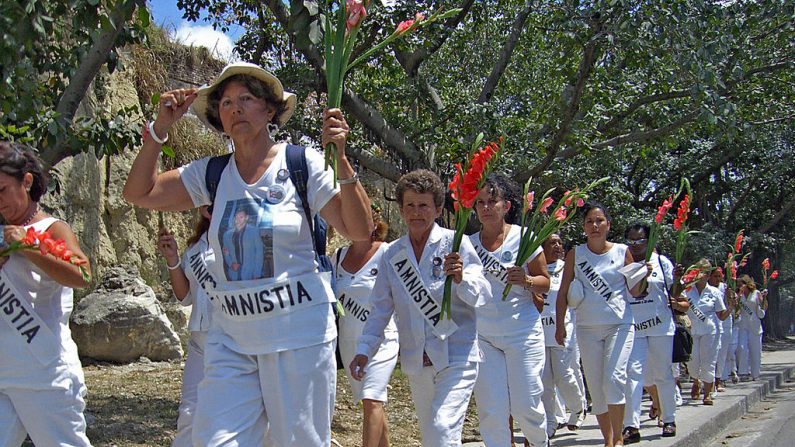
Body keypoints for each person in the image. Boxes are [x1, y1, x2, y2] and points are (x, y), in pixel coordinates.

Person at [123, 62, 373, 446]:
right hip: (232, 339)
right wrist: (159, 131)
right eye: (225, 102)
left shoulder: (301, 163)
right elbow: (139, 192)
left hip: (299, 338)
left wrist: (340, 158)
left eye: (246, 99)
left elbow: (359, 230)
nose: (235, 108)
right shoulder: (211, 174)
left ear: (269, 111)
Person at [350, 169, 492, 446]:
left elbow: (483, 293)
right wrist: (364, 351)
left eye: (424, 205)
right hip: (417, 360)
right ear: (402, 210)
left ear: (438, 209)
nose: (417, 213)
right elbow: (380, 310)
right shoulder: (392, 254)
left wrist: (462, 278)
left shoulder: (455, 243)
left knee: (442, 429)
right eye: (410, 206)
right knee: (431, 436)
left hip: (457, 354)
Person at [0, 141, 93, 446]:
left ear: (26, 182)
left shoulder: (52, 228)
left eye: (2, 189)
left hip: (46, 373)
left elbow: (82, 274)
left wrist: (29, 248)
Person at [555, 202, 649, 447]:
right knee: (596, 387)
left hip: (619, 325)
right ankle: (607, 439)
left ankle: (617, 438)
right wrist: (560, 325)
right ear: (584, 226)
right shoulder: (576, 254)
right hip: (587, 328)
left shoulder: (622, 251)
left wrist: (641, 274)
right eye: (589, 221)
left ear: (608, 224)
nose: (594, 226)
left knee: (614, 379)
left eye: (599, 221)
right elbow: (563, 291)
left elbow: (636, 291)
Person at [467, 174, 551, 447]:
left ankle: (540, 443)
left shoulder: (523, 238)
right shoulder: (468, 243)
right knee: (492, 411)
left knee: (526, 407)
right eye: (480, 202)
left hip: (522, 333)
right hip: (484, 336)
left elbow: (545, 282)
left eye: (492, 201)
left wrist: (526, 281)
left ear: (506, 204)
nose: (486, 207)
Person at [333, 206, 398, 447]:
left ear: (375, 222)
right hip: (350, 342)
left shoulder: (388, 253)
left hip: (382, 340)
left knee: (372, 399)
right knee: (371, 402)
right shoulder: (338, 256)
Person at [620, 224, 687, 442]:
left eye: (640, 240)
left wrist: (678, 278)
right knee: (633, 374)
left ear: (649, 242)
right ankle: (631, 425)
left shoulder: (661, 262)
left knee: (663, 375)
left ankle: (669, 419)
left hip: (660, 326)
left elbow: (675, 293)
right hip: (635, 328)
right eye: (631, 240)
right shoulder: (624, 262)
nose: (635, 245)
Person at [156, 207, 214, 447]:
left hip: (231, 340)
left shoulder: (238, 234)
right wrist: (173, 260)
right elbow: (185, 297)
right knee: (189, 414)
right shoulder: (197, 245)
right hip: (200, 343)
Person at [540, 234, 586, 439]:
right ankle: (550, 421)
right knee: (544, 380)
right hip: (538, 331)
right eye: (552, 243)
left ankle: (577, 407)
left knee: (563, 374)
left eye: (560, 242)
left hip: (561, 328)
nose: (557, 246)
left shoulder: (567, 267)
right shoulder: (533, 266)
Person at [682, 259, 733, 405]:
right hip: (692, 330)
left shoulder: (714, 292)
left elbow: (721, 315)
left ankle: (707, 392)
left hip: (710, 331)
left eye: (705, 272)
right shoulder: (687, 290)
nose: (702, 275)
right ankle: (696, 380)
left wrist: (730, 307)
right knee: (692, 362)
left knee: (709, 361)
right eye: (699, 271)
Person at [736, 274, 766, 381]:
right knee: (741, 348)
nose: (740, 287)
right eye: (738, 285)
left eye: (742, 284)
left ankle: (755, 373)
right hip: (743, 325)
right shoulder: (739, 295)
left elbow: (761, 312)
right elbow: (737, 309)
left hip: (755, 326)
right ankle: (743, 372)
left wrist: (762, 301)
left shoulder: (756, 293)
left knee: (755, 351)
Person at [221, 206, 264, 280]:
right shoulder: (227, 235)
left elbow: (259, 253)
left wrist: (257, 273)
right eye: (236, 217)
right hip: (233, 274)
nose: (238, 220)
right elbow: (225, 252)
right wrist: (231, 264)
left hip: (250, 273)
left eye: (241, 217)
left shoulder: (254, 231)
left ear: (246, 218)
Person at [709, 268, 733, 391]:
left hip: (725, 322)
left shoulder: (725, 287)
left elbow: (730, 303)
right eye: (715, 276)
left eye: (720, 276)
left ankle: (718, 379)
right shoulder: (706, 288)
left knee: (722, 353)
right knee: (711, 354)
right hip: (711, 322)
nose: (718, 279)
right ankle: (709, 381)